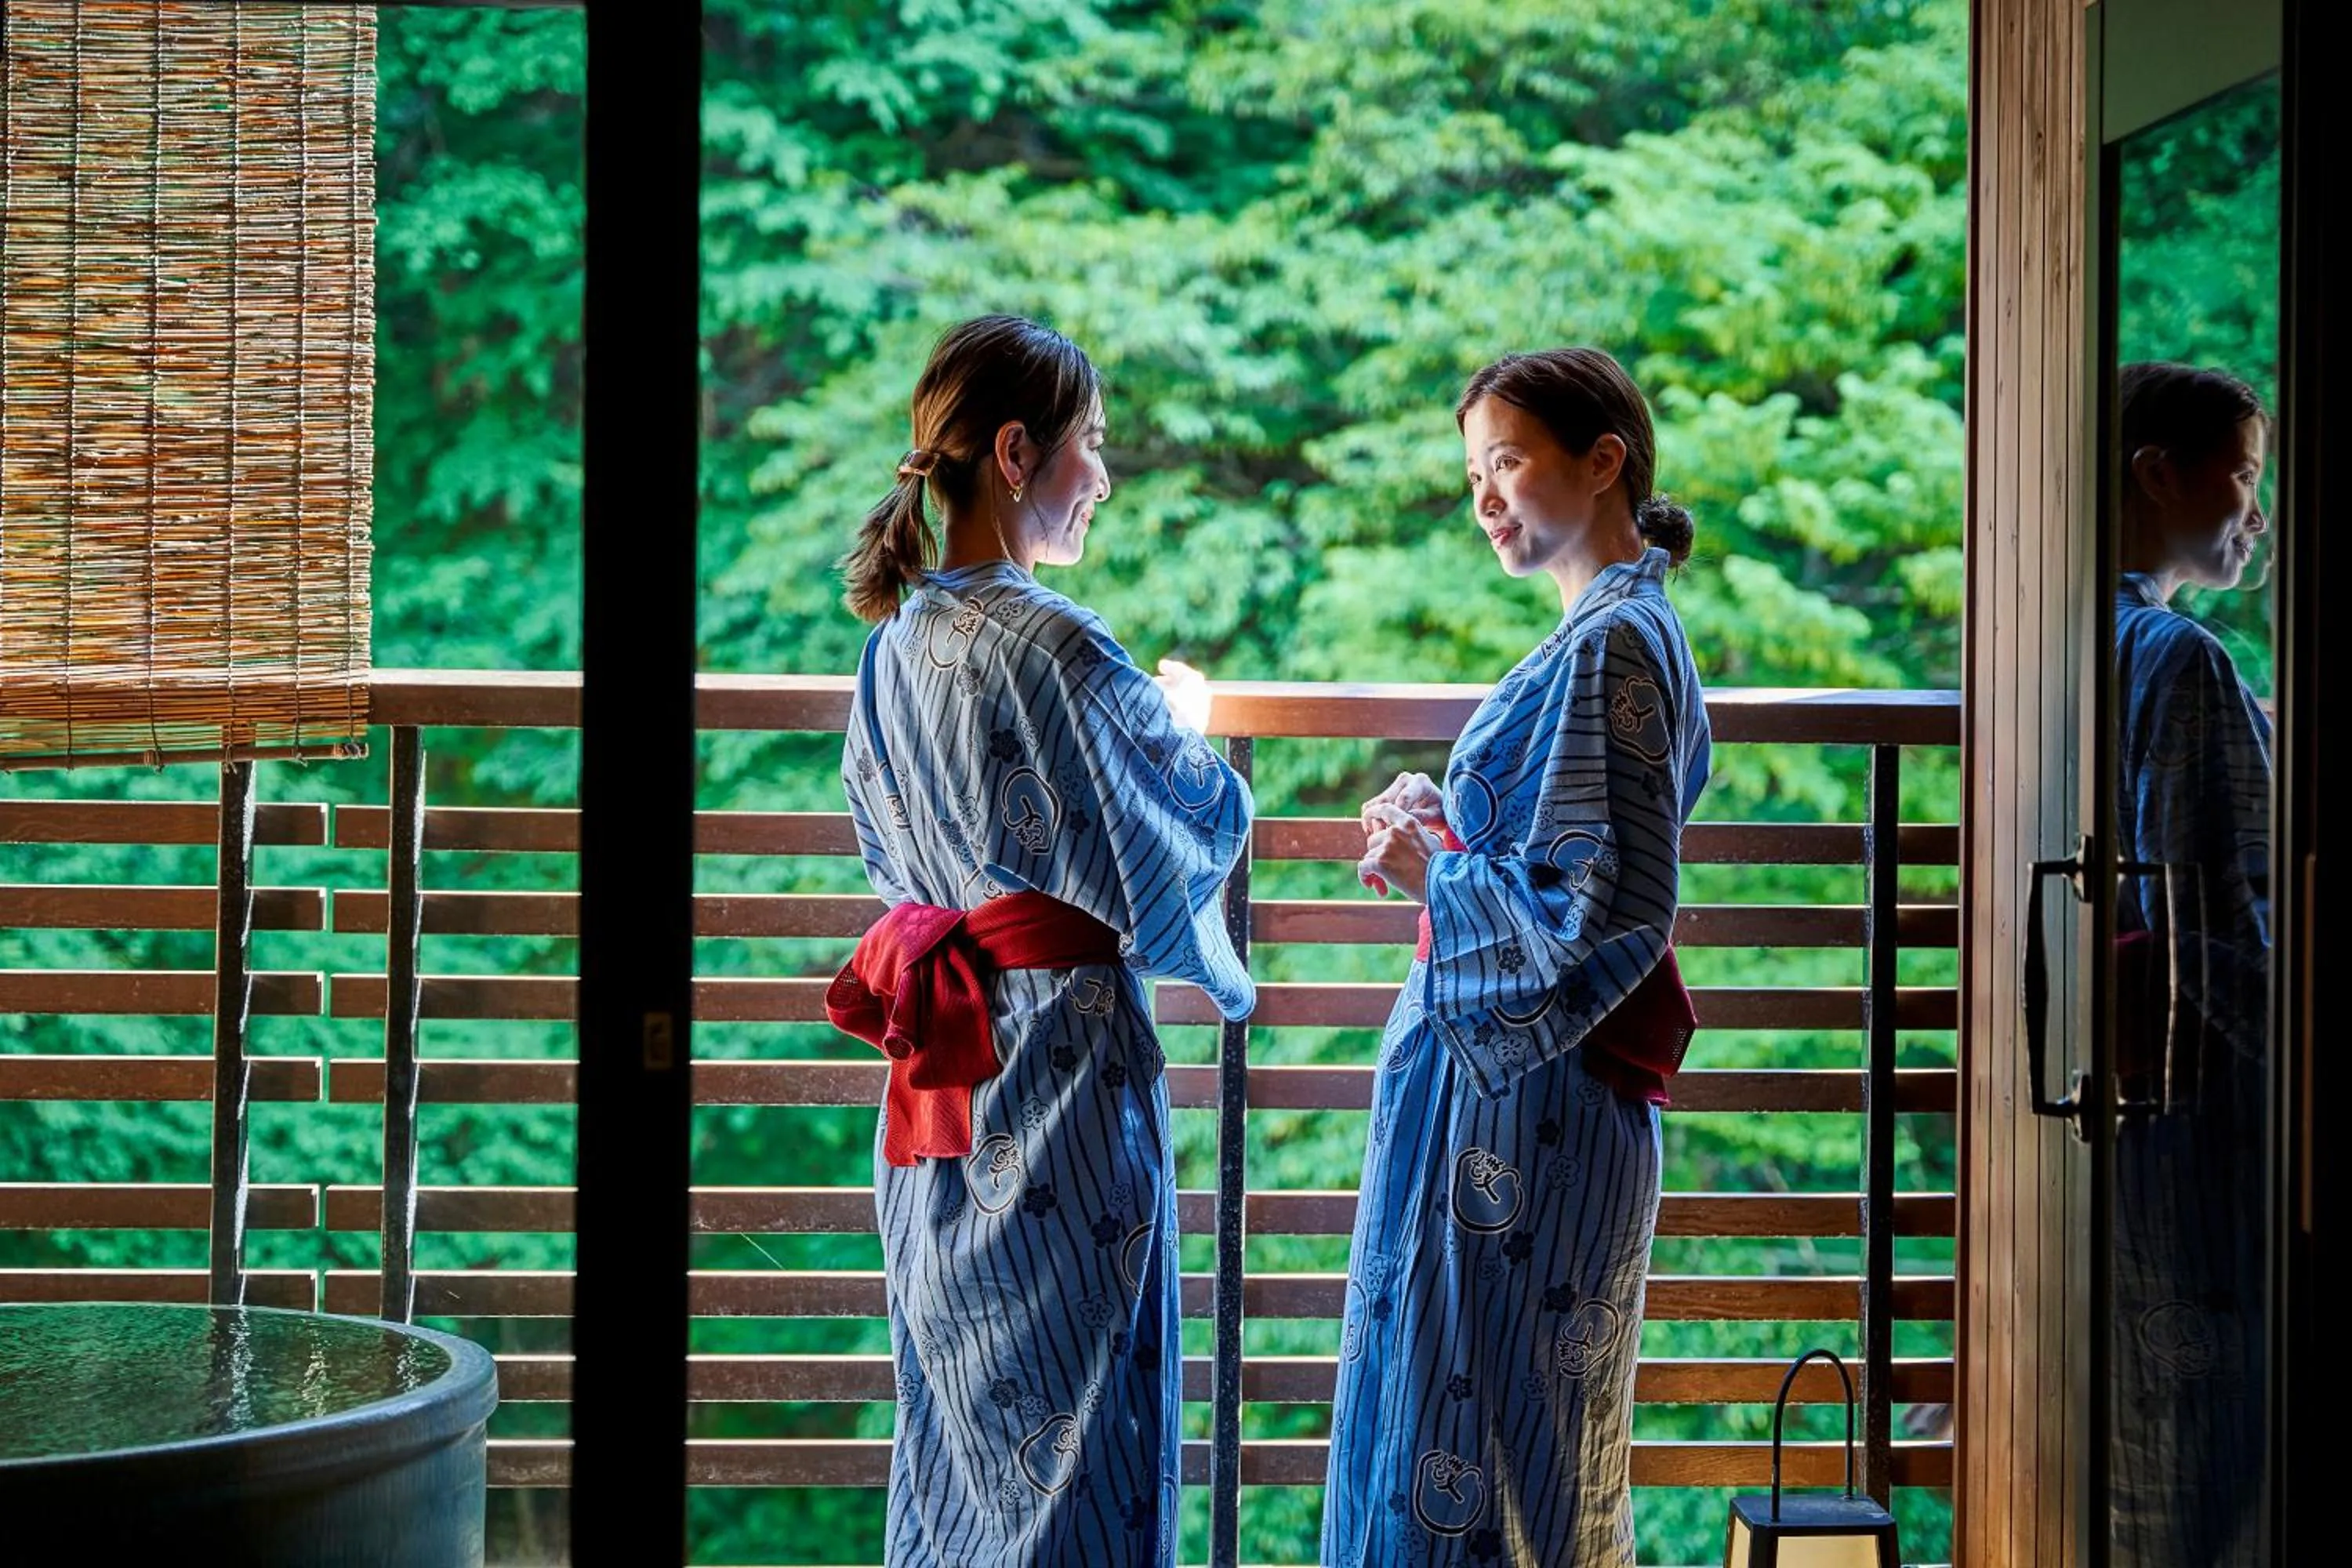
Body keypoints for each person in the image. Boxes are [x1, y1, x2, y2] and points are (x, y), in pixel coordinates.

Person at [829, 314, 1254, 1567]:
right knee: (1083, 1429)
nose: (1105, 477)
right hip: (1060, 1078)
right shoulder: (1057, 646)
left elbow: (882, 837)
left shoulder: (892, 644)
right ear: (1016, 453)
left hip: (943, 1079)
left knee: (963, 1439)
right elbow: (1186, 817)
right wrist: (1187, 720)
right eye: (1093, 445)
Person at [1325, 348, 1712, 1567]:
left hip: (1527, 1107)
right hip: (1519, 1089)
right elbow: (1564, 858)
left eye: (1507, 461)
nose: (1484, 496)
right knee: (1512, 1425)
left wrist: (1435, 872)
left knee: (1492, 1425)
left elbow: (1606, 901)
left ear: (1604, 462)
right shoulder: (1610, 633)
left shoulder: (1614, 645)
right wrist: (1452, 828)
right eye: (1473, 471)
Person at [2108, 360, 2271, 1568]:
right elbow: (2210, 906)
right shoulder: (2176, 658)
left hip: (2102, 1089)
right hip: (2198, 1090)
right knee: (2217, 1432)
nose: (2256, 514)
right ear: (2156, 474)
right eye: (2245, 477)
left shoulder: (2072, 641)